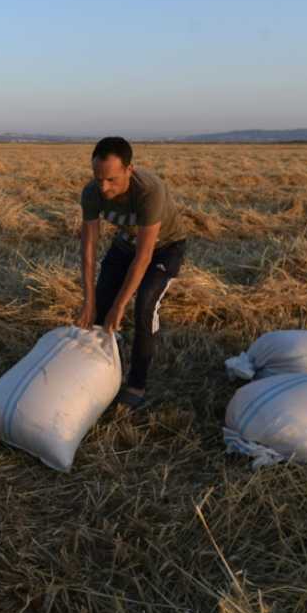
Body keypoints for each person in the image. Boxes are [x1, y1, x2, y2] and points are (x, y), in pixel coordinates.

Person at [76, 137, 187, 409]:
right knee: (100, 308)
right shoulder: (92, 192)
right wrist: (89, 301)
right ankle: (98, 373)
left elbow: (144, 256)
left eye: (111, 180)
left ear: (129, 169)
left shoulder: (148, 191)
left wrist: (120, 305)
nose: (104, 187)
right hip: (126, 243)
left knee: (144, 306)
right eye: (98, 179)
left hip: (164, 248)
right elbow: (88, 250)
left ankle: (137, 383)